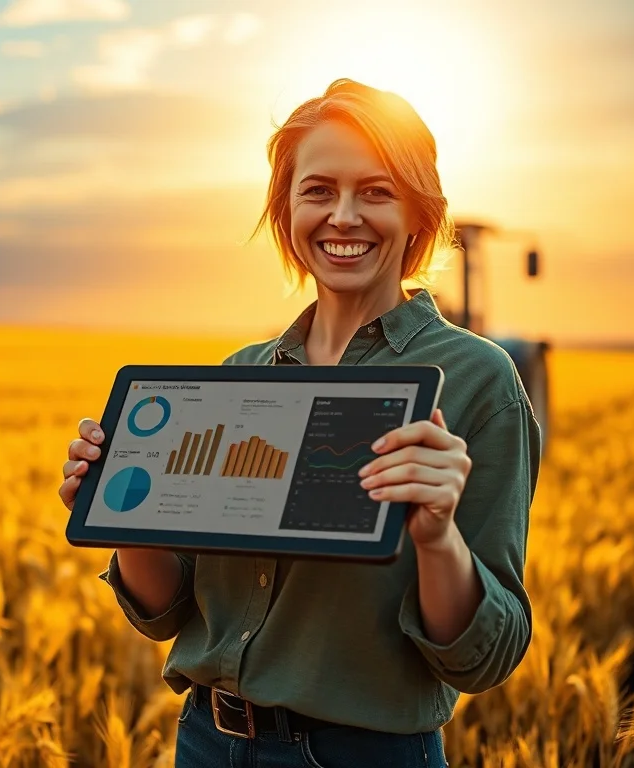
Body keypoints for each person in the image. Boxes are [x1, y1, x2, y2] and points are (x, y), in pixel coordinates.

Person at [59, 78, 541, 768]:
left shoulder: (480, 382)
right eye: (317, 191)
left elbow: (486, 657)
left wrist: (436, 538)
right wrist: (126, 514)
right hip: (204, 742)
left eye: (376, 191)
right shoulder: (237, 376)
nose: (343, 215)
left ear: (418, 214)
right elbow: (166, 610)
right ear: (286, 211)